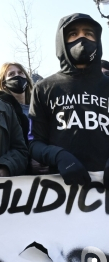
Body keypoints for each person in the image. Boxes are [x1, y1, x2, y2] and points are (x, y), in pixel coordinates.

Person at [29, 13, 109, 186]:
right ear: (62, 42)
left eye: (88, 33)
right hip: (62, 192)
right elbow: (35, 143)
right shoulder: (44, 88)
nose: (81, 39)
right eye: (73, 34)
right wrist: (58, 156)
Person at [0, 62, 33, 145]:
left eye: (20, 72)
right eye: (11, 74)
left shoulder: (37, 106)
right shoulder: (1, 110)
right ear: (3, 84)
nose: (17, 76)